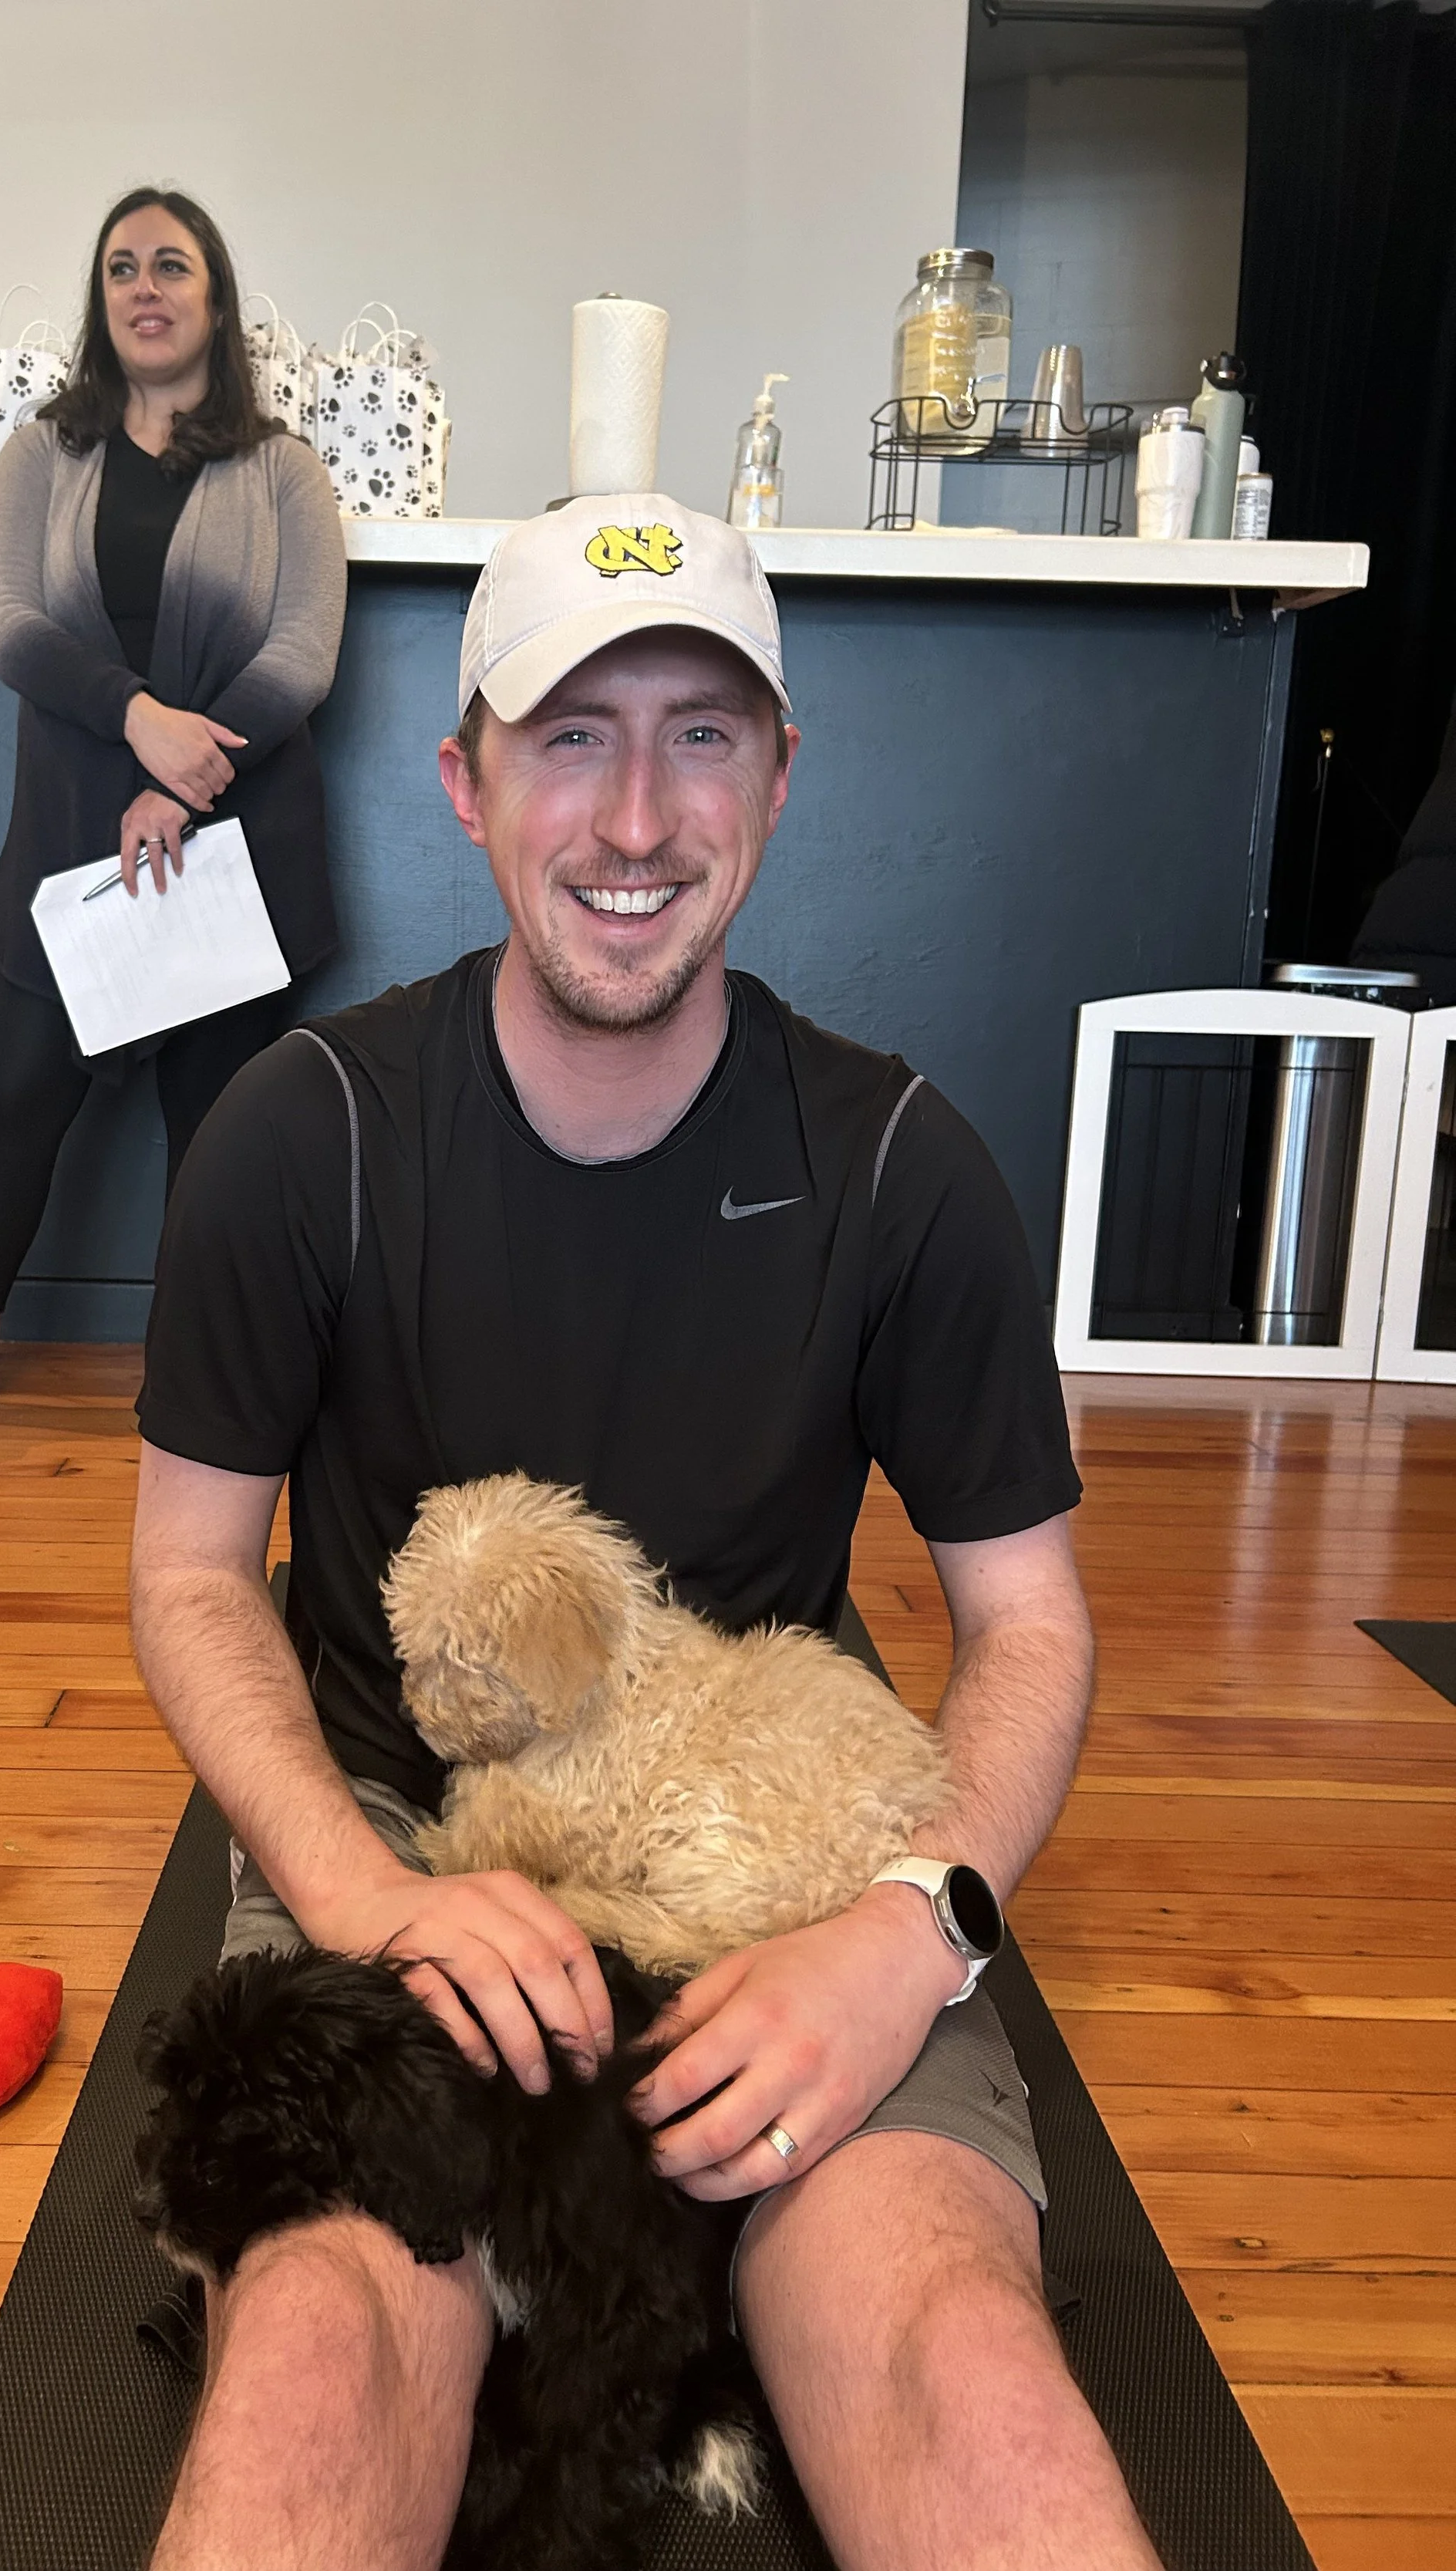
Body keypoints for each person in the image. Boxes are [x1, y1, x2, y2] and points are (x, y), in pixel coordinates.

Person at [128, 495, 1161, 2569]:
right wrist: (354, 1886)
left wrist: (909, 1927)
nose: (632, 811)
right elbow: (182, 1575)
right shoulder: (303, 1133)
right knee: (317, 2352)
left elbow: (1028, 1625)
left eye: (700, 734)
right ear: (465, 779)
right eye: (568, 735)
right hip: (408, 1852)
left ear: (779, 780)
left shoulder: (896, 1160)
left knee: (964, 2356)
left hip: (773, 1874)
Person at [0, 186, 345, 1446]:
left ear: (216, 299)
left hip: (233, 839)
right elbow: (3, 626)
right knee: (14, 1095)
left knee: (217, 1127)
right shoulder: (42, 455)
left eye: (172, 266)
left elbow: (302, 659)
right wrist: (140, 724)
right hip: (74, 823)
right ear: (102, 298)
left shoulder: (285, 470)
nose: (146, 287)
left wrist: (182, 778)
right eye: (123, 267)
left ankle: (190, 1377)